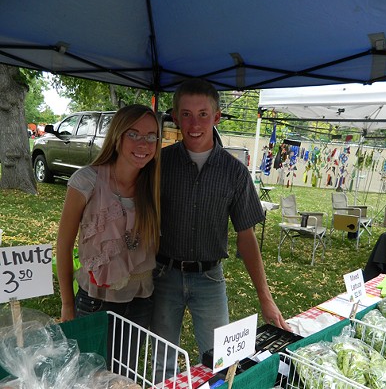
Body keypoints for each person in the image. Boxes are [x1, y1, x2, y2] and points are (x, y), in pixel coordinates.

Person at [151, 78, 290, 378]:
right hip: (164, 275)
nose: (194, 123)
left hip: (209, 279)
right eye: (186, 114)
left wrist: (265, 298)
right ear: (175, 117)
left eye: (203, 114)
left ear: (216, 117)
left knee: (221, 362)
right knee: (162, 362)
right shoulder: (160, 163)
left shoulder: (235, 172)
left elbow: (246, 237)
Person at [56, 104, 161, 372]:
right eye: (134, 134)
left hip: (140, 302)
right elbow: (64, 246)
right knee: (87, 376)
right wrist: (67, 304)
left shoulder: (154, 185)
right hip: (95, 302)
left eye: (151, 136)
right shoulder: (86, 181)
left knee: (122, 377)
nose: (143, 143)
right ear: (117, 136)